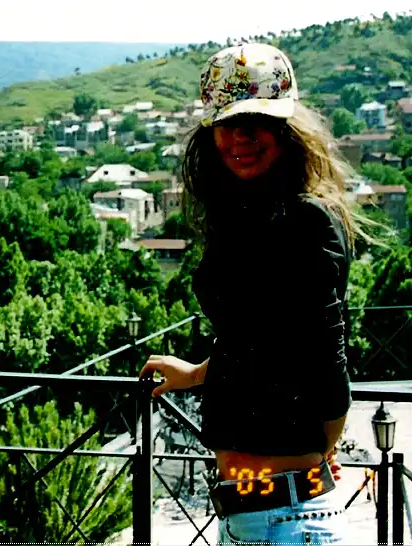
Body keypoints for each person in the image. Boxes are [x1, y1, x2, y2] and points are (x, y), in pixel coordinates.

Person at [139, 43, 383, 544]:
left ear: (286, 128)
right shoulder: (245, 216)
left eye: (257, 122)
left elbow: (327, 361)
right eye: (227, 124)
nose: (241, 138)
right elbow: (261, 342)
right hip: (256, 517)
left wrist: (321, 450)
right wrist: (198, 374)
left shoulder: (305, 220)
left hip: (289, 519)